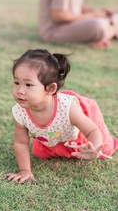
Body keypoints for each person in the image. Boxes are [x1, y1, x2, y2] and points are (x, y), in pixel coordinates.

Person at [7, 49, 118, 183]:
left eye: (28, 84)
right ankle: (58, 148)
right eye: (16, 83)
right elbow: (21, 142)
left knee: (104, 148)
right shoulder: (19, 112)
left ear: (50, 89)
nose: (20, 91)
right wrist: (25, 170)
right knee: (39, 153)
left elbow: (92, 130)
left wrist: (94, 147)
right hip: (51, 139)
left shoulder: (67, 107)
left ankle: (108, 141)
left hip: (77, 138)